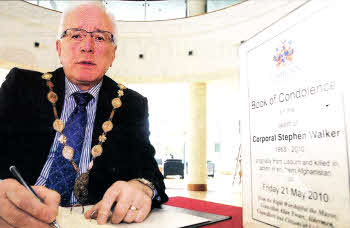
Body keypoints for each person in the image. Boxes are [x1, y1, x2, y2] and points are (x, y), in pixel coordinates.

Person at [0, 2, 168, 227]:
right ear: (59, 49)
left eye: (100, 38)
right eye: (75, 35)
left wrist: (141, 187)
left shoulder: (131, 104)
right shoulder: (21, 86)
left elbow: (149, 172)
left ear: (113, 54)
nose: (87, 46)